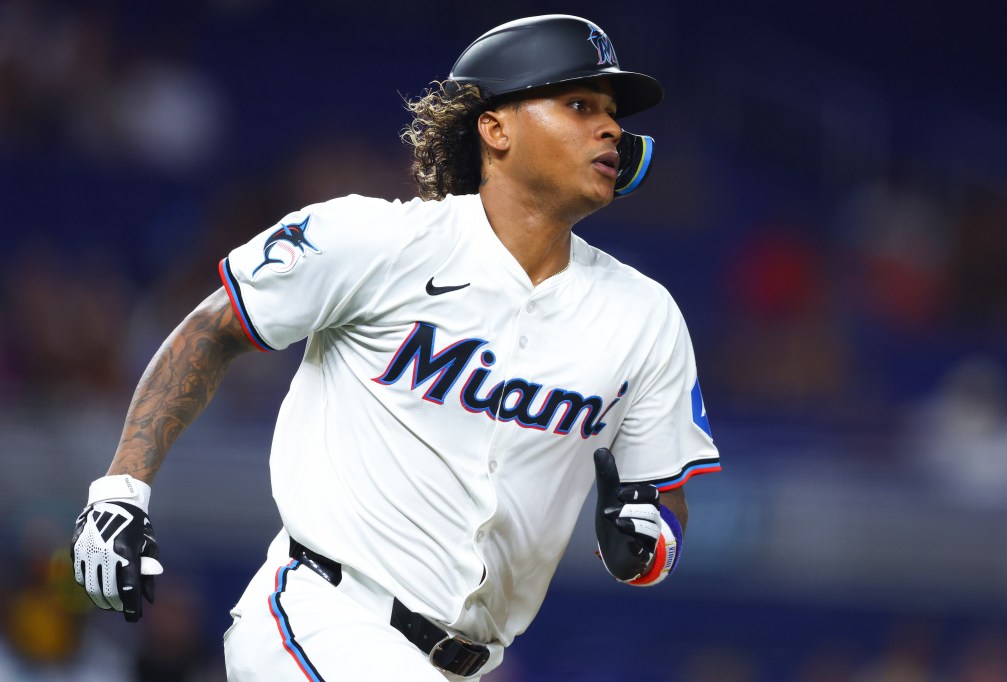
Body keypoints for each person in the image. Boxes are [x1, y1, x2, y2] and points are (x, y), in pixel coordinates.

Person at [70, 14, 721, 680]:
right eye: (579, 105)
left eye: (612, 112)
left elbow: (661, 500)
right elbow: (211, 331)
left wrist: (650, 545)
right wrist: (121, 490)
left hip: (471, 662)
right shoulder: (373, 241)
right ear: (495, 128)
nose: (610, 127)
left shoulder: (645, 316)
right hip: (324, 617)